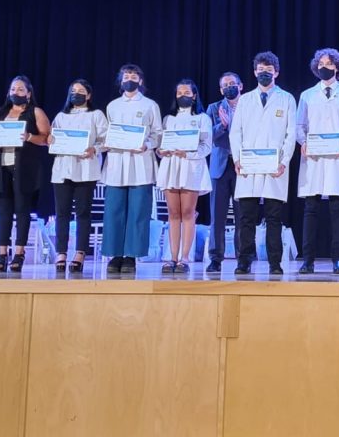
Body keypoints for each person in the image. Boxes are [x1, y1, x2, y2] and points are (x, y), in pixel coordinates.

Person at [229, 51, 297, 275]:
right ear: (254, 72)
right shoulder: (245, 99)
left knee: (273, 218)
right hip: (248, 166)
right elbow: (235, 132)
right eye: (260, 70)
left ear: (276, 72)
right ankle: (244, 261)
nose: (264, 74)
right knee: (246, 217)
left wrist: (284, 161)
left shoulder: (287, 99)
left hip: (275, 166)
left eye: (268, 70)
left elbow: (291, 134)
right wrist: (237, 159)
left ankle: (275, 263)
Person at [296, 48, 339, 275]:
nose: (324, 67)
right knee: (311, 208)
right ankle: (308, 260)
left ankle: (338, 260)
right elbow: (299, 125)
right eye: (321, 64)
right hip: (313, 159)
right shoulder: (307, 95)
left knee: (338, 209)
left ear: (338, 67)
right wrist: (304, 142)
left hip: (337, 158)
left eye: (329, 64)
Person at [101, 64, 163, 277]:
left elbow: (158, 133)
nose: (130, 79)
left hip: (140, 163)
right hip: (116, 163)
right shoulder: (112, 106)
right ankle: (115, 254)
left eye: (134, 76)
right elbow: (107, 133)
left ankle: (131, 256)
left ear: (140, 81)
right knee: (114, 211)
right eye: (126, 76)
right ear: (121, 81)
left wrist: (147, 144)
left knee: (138, 212)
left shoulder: (150, 105)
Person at [0, 75, 51, 274]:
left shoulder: (35, 112)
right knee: (4, 211)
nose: (16, 92)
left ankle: (19, 253)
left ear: (29, 94)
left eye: (21, 89)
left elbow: (46, 138)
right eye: (13, 89)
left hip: (25, 167)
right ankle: (2, 253)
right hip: (1, 166)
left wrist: (29, 136)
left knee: (22, 210)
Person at [49, 79, 107, 275]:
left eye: (81, 91)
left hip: (85, 169)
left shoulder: (96, 115)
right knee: (62, 213)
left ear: (88, 95)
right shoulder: (61, 116)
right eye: (73, 91)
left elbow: (106, 139)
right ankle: (61, 253)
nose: (76, 94)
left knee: (83, 213)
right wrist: (51, 140)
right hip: (62, 169)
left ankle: (80, 253)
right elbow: (53, 138)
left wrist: (94, 149)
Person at [157, 80, 213, 274]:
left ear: (194, 95)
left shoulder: (203, 118)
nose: (183, 96)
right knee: (173, 213)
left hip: (191, 166)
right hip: (171, 166)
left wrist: (187, 154)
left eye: (186, 92)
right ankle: (172, 257)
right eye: (179, 93)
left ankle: (185, 258)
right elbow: (161, 145)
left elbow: (207, 147)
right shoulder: (168, 119)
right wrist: (161, 151)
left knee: (188, 213)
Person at [205, 72, 243, 274]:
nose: (229, 87)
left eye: (232, 83)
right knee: (217, 216)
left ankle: (243, 258)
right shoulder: (213, 108)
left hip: (242, 165)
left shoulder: (249, 105)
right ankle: (215, 258)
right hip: (220, 166)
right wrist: (223, 124)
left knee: (242, 215)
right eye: (225, 85)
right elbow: (208, 135)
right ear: (221, 90)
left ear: (240, 86)